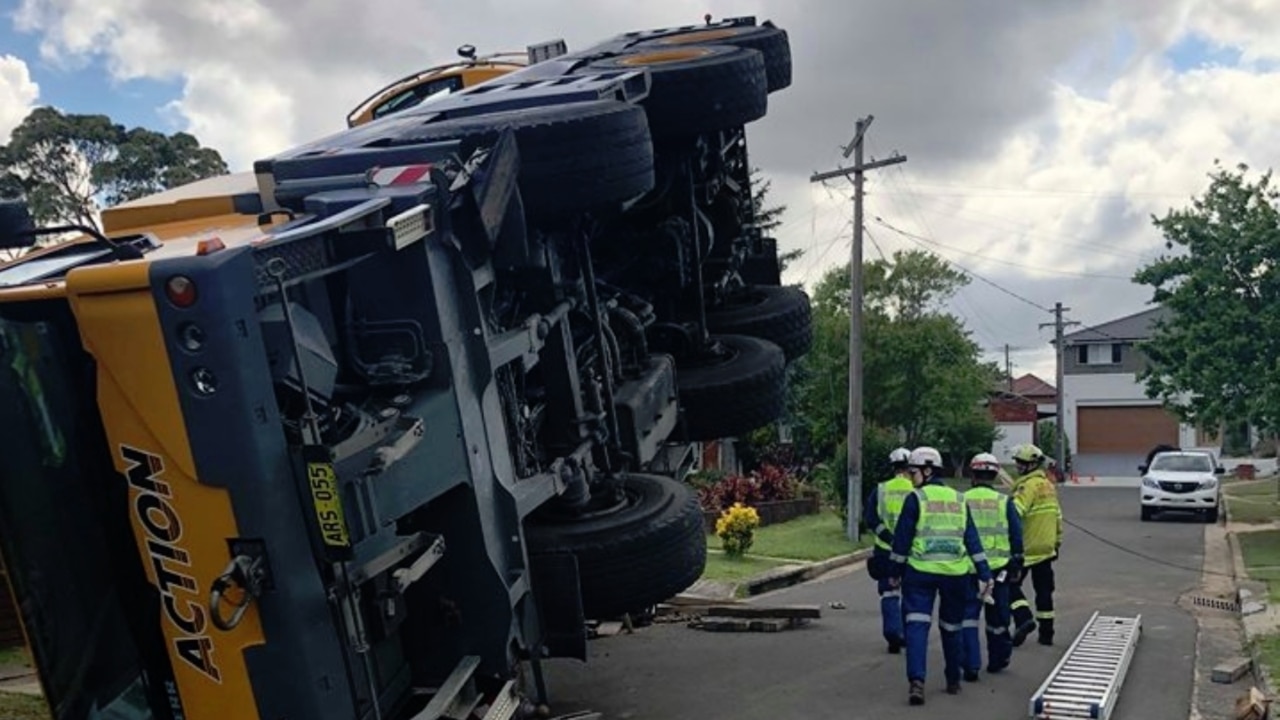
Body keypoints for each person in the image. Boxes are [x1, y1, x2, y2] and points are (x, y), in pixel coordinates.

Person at [888, 446, 993, 706]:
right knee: (951, 626)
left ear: (926, 470)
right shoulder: (959, 499)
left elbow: (902, 541)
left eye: (913, 472)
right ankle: (952, 679)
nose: (911, 478)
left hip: (920, 573)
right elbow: (973, 541)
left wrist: (894, 573)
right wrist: (984, 573)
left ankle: (917, 682)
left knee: (916, 626)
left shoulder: (916, 499)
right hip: (955, 575)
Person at [960, 452, 1024, 679]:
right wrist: (1017, 563)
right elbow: (1017, 536)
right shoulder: (1005, 502)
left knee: (968, 617)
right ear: (995, 474)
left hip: (968, 570)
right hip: (1000, 570)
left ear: (973, 474)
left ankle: (970, 665)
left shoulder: (962, 499)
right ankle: (998, 658)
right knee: (998, 619)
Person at [1007, 443, 1064, 647]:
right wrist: (1057, 542)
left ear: (1031, 465)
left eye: (1021, 463)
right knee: (1044, 592)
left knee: (1009, 586)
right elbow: (1058, 516)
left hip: (1027, 548)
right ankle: (1046, 634)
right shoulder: (1048, 485)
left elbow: (1014, 513)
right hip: (1047, 548)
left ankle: (1023, 619)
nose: (1018, 466)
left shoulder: (1027, 486)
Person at [863, 447, 916, 653]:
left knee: (889, 592)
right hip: (912, 551)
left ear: (892, 466)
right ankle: (909, 635)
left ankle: (893, 633)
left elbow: (871, 519)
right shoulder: (917, 489)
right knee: (912, 593)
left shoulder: (881, 489)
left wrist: (888, 537)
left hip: (885, 550)